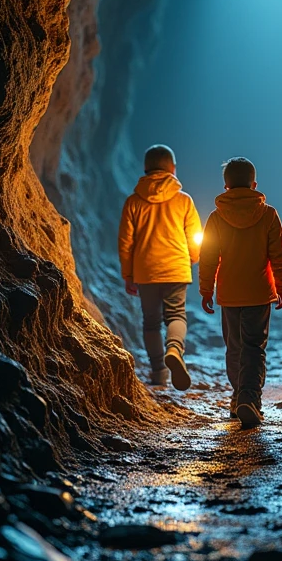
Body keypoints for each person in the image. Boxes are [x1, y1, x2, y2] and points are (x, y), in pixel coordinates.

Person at [199, 157, 282, 427]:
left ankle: (238, 396)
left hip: (229, 294)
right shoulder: (268, 214)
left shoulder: (216, 217)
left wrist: (206, 289)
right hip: (259, 293)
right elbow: (279, 254)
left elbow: (208, 256)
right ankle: (250, 399)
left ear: (225, 185)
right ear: (254, 184)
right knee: (254, 348)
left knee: (234, 348)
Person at [118, 144, 202, 390]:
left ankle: (159, 372)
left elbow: (126, 242)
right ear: (173, 169)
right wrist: (192, 258)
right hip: (176, 267)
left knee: (151, 322)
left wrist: (128, 274)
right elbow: (194, 235)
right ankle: (174, 349)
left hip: (146, 271)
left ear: (145, 169)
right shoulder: (184, 201)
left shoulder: (133, 202)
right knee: (176, 315)